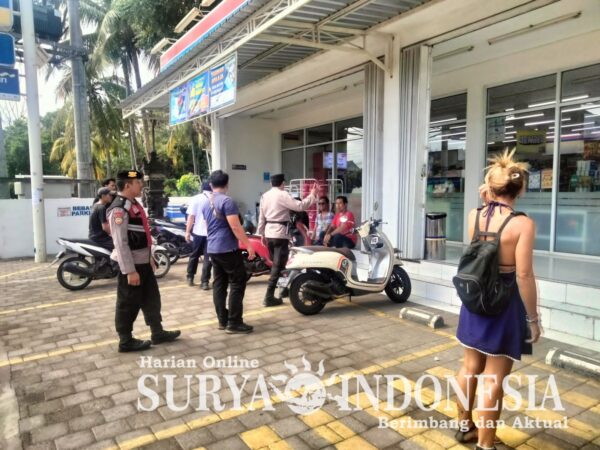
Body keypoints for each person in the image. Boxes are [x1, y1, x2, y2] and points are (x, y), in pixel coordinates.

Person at [453, 150, 540, 450]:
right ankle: (485, 445)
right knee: (494, 378)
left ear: (489, 187)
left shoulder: (474, 215)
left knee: (469, 367)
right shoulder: (522, 224)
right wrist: (533, 319)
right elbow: (524, 275)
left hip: (474, 299)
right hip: (503, 304)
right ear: (520, 189)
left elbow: (481, 249)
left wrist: (486, 199)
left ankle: (465, 426)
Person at [107, 170, 180, 352]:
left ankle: (157, 332)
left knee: (151, 298)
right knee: (127, 303)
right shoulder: (119, 209)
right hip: (132, 265)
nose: (142, 185)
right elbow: (121, 243)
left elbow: (144, 235)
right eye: (138, 182)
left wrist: (150, 258)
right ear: (127, 185)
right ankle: (125, 340)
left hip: (144, 262)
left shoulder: (133, 204)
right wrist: (130, 271)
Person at [202, 170, 256, 334]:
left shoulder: (206, 203)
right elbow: (235, 226)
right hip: (227, 248)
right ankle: (234, 322)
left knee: (219, 284)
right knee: (238, 281)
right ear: (227, 184)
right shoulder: (227, 201)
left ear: (211, 185)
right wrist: (248, 245)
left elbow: (208, 227)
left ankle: (222, 320)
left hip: (212, 249)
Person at [257, 174, 318, 307]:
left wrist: (261, 234)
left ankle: (283, 290)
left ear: (271, 183)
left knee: (279, 264)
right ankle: (269, 296)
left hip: (269, 233)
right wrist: (312, 195)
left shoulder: (265, 196)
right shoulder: (282, 194)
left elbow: (261, 217)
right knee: (278, 265)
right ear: (283, 183)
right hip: (280, 234)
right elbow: (300, 206)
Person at [185, 181, 213, 289]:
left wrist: (187, 232)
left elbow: (191, 217)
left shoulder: (196, 198)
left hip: (198, 233)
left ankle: (190, 277)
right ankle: (205, 282)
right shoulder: (216, 198)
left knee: (194, 255)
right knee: (208, 258)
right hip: (211, 234)